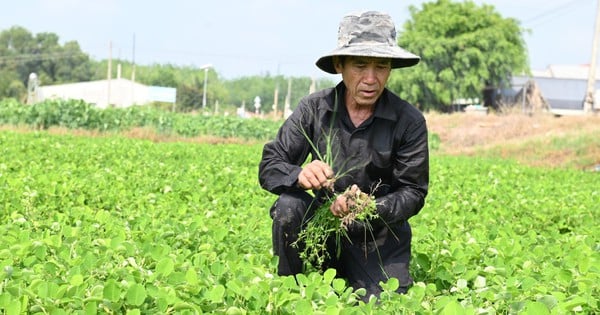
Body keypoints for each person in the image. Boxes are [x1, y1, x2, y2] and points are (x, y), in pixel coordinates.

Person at [258, 11, 429, 300]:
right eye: (360, 66)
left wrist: (369, 206)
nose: (371, 79)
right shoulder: (314, 109)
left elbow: (413, 192)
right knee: (289, 205)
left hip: (377, 238)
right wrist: (299, 175)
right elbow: (270, 166)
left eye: (381, 66)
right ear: (340, 65)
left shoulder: (409, 121)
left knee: (381, 301)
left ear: (390, 69)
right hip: (322, 233)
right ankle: (289, 288)